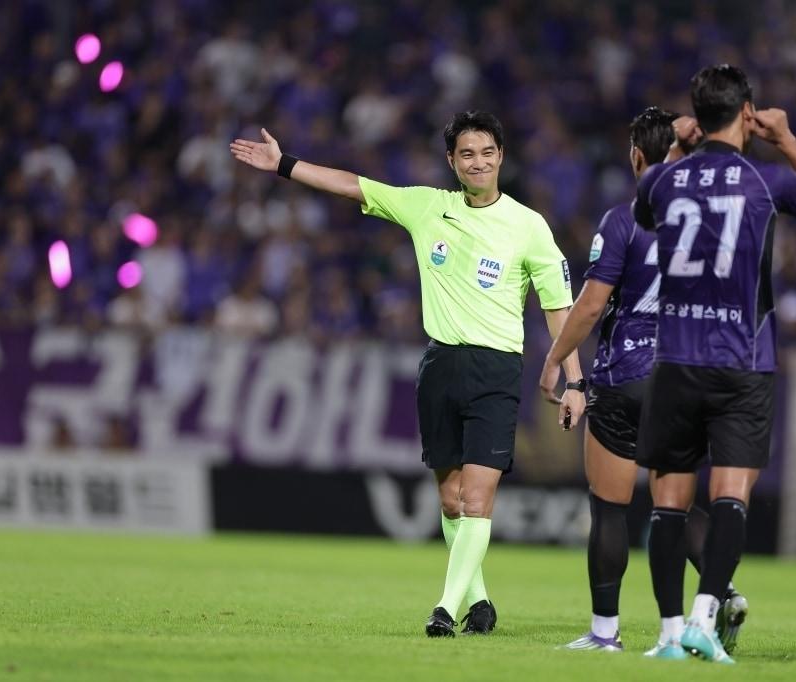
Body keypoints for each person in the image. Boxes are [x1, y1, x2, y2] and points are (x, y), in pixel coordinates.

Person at [230, 111, 585, 638]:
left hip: (496, 369)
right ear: (452, 162)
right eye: (467, 153)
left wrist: (574, 378)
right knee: (450, 500)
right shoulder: (427, 207)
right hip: (440, 366)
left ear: (501, 157)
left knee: (478, 499)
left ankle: (445, 608)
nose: (478, 162)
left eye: (487, 152)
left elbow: (559, 308)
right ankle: (480, 599)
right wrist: (284, 164)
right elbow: (352, 186)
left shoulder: (528, 225)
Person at [633, 64, 796, 663]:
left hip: (675, 360)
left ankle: (669, 635)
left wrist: (677, 145)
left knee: (669, 504)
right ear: (747, 114)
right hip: (743, 362)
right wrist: (786, 138)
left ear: (698, 116)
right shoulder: (765, 178)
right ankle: (704, 618)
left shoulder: (664, 183)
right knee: (729, 498)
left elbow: (646, 204)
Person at [539, 107, 747, 655]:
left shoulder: (625, 219)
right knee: (672, 504)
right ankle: (721, 592)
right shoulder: (709, 222)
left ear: (637, 155)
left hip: (625, 376)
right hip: (684, 377)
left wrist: (557, 361)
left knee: (609, 508)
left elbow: (587, 308)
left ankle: (605, 633)